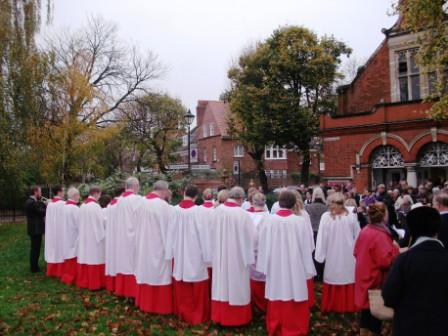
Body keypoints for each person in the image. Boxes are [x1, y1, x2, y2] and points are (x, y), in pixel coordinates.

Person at [382, 206, 448, 336]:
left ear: (411, 230)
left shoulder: (404, 260)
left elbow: (388, 296)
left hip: (408, 327)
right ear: (437, 229)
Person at [257, 190, 314, 336]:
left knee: (276, 293)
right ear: (294, 203)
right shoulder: (299, 222)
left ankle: (276, 325)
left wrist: (264, 265)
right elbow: (306, 247)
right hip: (294, 265)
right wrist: (307, 267)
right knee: (294, 291)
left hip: (275, 265)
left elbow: (263, 245)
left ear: (278, 202)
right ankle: (295, 327)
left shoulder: (268, 220)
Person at [210, 186, 255, 326]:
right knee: (237, 286)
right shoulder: (243, 215)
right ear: (240, 199)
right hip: (237, 256)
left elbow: (211, 233)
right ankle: (237, 318)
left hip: (220, 255)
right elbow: (252, 238)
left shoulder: (216, 211)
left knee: (221, 285)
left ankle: (220, 316)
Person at [166, 185, 211, 324]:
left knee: (182, 282)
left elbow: (170, 233)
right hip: (195, 252)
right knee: (197, 281)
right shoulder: (199, 211)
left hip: (179, 251)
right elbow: (204, 235)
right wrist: (208, 256)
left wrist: (170, 252)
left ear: (184, 193)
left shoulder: (174, 210)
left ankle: (183, 312)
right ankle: (198, 314)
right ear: (196, 196)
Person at [354, 203, 399, 336]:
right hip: (375, 279)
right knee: (375, 315)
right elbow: (385, 261)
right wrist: (395, 249)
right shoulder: (381, 235)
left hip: (364, 275)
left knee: (366, 315)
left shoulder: (365, 230)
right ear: (384, 216)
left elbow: (356, 252)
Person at [315, 192, 360, 313]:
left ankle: (334, 304)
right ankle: (346, 305)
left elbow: (321, 238)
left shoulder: (348, 216)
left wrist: (320, 255)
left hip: (339, 253)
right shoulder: (348, 216)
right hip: (344, 252)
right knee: (344, 275)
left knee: (338, 274)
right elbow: (358, 236)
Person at [134, 180, 173, 314]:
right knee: (158, 274)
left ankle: (144, 302)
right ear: (164, 190)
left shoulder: (141, 202)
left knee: (145, 272)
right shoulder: (163, 206)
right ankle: (159, 306)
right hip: (157, 246)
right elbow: (169, 230)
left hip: (142, 244)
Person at [113, 177, 142, 298]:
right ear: (135, 186)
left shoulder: (119, 200)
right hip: (133, 236)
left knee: (123, 262)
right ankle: (132, 292)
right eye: (138, 186)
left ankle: (123, 290)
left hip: (121, 235)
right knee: (132, 263)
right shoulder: (136, 199)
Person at [76, 186, 106, 290]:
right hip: (94, 238)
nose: (100, 197)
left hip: (85, 236)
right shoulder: (95, 206)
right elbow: (101, 222)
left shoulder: (82, 205)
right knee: (95, 258)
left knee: (86, 258)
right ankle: (95, 283)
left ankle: (85, 281)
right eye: (100, 194)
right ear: (96, 193)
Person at [247, 192, 270, 312]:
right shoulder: (270, 217)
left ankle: (256, 304)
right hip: (265, 253)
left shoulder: (247, 216)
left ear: (252, 202)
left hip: (251, 252)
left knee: (254, 279)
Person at [104, 186, 124, 292]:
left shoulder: (110, 204)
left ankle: (111, 285)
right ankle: (118, 286)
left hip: (111, 236)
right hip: (118, 237)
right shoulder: (119, 205)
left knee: (112, 260)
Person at [60, 187, 81, 285]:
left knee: (67, 255)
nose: (79, 197)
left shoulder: (63, 207)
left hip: (65, 233)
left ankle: (66, 275)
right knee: (73, 254)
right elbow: (80, 224)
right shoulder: (75, 208)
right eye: (78, 195)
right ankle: (73, 277)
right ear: (75, 196)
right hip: (73, 234)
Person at [44, 185, 65, 277]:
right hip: (60, 230)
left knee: (52, 248)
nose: (64, 192)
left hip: (51, 230)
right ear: (59, 192)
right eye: (63, 191)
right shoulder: (63, 204)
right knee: (60, 248)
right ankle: (60, 271)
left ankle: (51, 270)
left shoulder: (50, 204)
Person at [25, 185, 47, 273]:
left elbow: (39, 208)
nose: (41, 194)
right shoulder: (31, 202)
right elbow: (41, 212)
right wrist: (46, 205)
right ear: (35, 192)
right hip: (35, 229)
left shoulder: (33, 201)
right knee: (35, 249)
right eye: (40, 191)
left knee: (35, 248)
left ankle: (34, 266)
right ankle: (34, 268)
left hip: (35, 229)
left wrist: (43, 204)